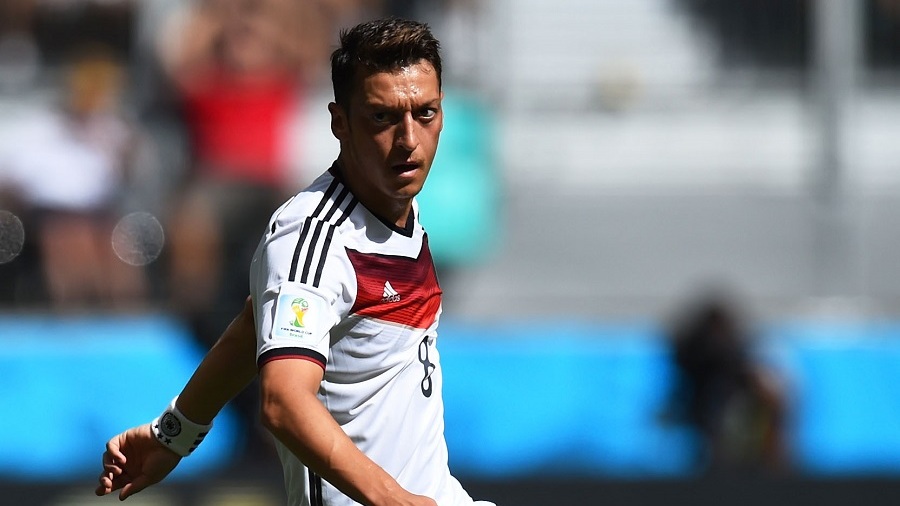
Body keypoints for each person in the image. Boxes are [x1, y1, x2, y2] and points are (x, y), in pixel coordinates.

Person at [96, 18, 496, 506]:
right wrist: (396, 501)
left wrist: (171, 436)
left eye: (425, 113)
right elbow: (283, 402)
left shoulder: (397, 204)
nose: (409, 138)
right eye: (382, 117)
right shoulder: (314, 236)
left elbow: (255, 326)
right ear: (339, 122)